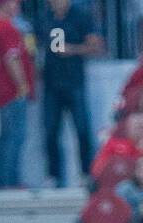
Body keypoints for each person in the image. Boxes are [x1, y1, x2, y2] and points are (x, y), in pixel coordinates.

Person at [36, 0, 101, 186]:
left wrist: (72, 49)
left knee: (82, 129)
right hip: (51, 85)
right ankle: (54, 175)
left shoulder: (81, 15)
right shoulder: (44, 17)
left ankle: (86, 173)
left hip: (74, 83)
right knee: (50, 131)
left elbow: (96, 46)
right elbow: (35, 44)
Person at [0, 0, 36, 188]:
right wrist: (22, 85)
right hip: (11, 90)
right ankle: (9, 181)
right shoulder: (7, 28)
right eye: (13, 2)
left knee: (5, 135)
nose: (18, 5)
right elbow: (12, 58)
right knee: (15, 135)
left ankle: (1, 180)